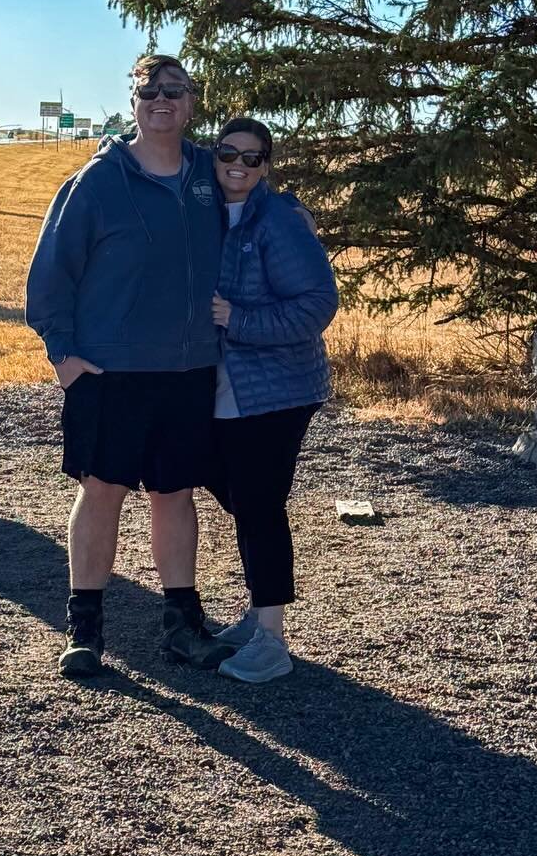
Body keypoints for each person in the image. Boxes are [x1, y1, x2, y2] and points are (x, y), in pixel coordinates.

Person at [26, 54, 233, 678]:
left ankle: (181, 626)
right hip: (110, 371)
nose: (161, 100)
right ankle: (85, 629)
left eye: (174, 90)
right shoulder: (97, 181)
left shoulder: (210, 174)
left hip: (189, 368)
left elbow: (260, 219)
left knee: (175, 494)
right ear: (134, 101)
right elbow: (51, 273)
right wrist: (62, 355)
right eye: (149, 91)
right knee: (103, 491)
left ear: (192, 102)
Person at [205, 117, 338, 684]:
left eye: (253, 157)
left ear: (267, 165)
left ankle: (272, 638)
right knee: (227, 485)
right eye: (228, 152)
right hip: (228, 385)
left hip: (280, 388)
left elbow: (316, 305)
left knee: (258, 503)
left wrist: (240, 319)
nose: (238, 164)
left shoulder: (278, 221)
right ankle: (260, 611)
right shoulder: (207, 210)